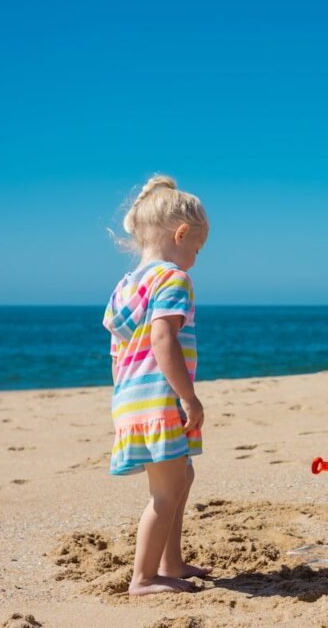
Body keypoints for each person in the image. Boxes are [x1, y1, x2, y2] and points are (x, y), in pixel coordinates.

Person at [102, 174, 210, 596]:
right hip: (160, 399)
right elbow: (162, 339)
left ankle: (172, 562)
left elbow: (117, 353)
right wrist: (188, 396)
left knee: (182, 474)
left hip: (130, 399)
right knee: (165, 494)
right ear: (181, 234)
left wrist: (124, 403)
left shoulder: (124, 286)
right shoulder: (172, 279)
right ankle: (143, 578)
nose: (195, 259)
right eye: (197, 249)